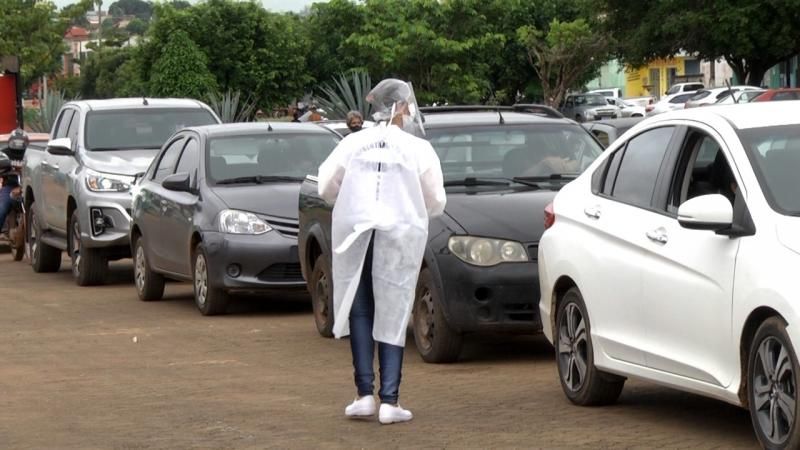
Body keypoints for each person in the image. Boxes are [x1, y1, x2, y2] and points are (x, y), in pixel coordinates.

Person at [317, 78, 446, 425]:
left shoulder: (353, 143)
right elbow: (436, 199)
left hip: (358, 234)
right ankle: (390, 400)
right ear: (401, 107)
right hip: (398, 237)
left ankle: (364, 395)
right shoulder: (417, 149)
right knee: (394, 308)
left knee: (361, 309)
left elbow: (326, 186)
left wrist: (354, 198)